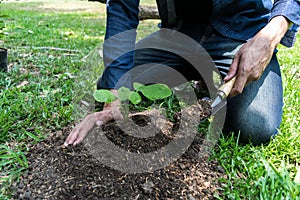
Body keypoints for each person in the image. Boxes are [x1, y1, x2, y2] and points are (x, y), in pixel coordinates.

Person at [64, 0, 300, 146]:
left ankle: (212, 76)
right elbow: (122, 8)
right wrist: (114, 95)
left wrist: (269, 37)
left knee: (255, 126)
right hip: (178, 35)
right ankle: (201, 76)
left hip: (239, 32)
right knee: (114, 82)